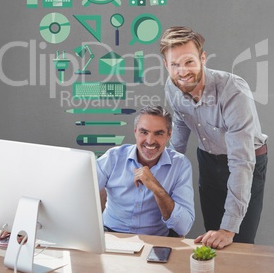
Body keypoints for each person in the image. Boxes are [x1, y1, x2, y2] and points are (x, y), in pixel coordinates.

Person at [160, 26, 268, 249]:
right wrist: (165, 176)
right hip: (208, 160)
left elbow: (241, 163)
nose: (182, 71)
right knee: (212, 237)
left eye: (189, 61)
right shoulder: (172, 87)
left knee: (239, 242)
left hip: (246, 161)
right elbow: (180, 132)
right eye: (175, 64)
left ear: (202, 58)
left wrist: (228, 229)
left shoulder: (233, 91)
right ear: (166, 65)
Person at [96, 105, 195, 237]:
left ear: (169, 135)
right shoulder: (113, 158)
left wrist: (156, 188)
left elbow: (183, 227)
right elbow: (81, 193)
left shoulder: (180, 165)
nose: (150, 141)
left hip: (156, 240)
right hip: (111, 236)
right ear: (135, 132)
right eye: (144, 132)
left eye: (158, 133)